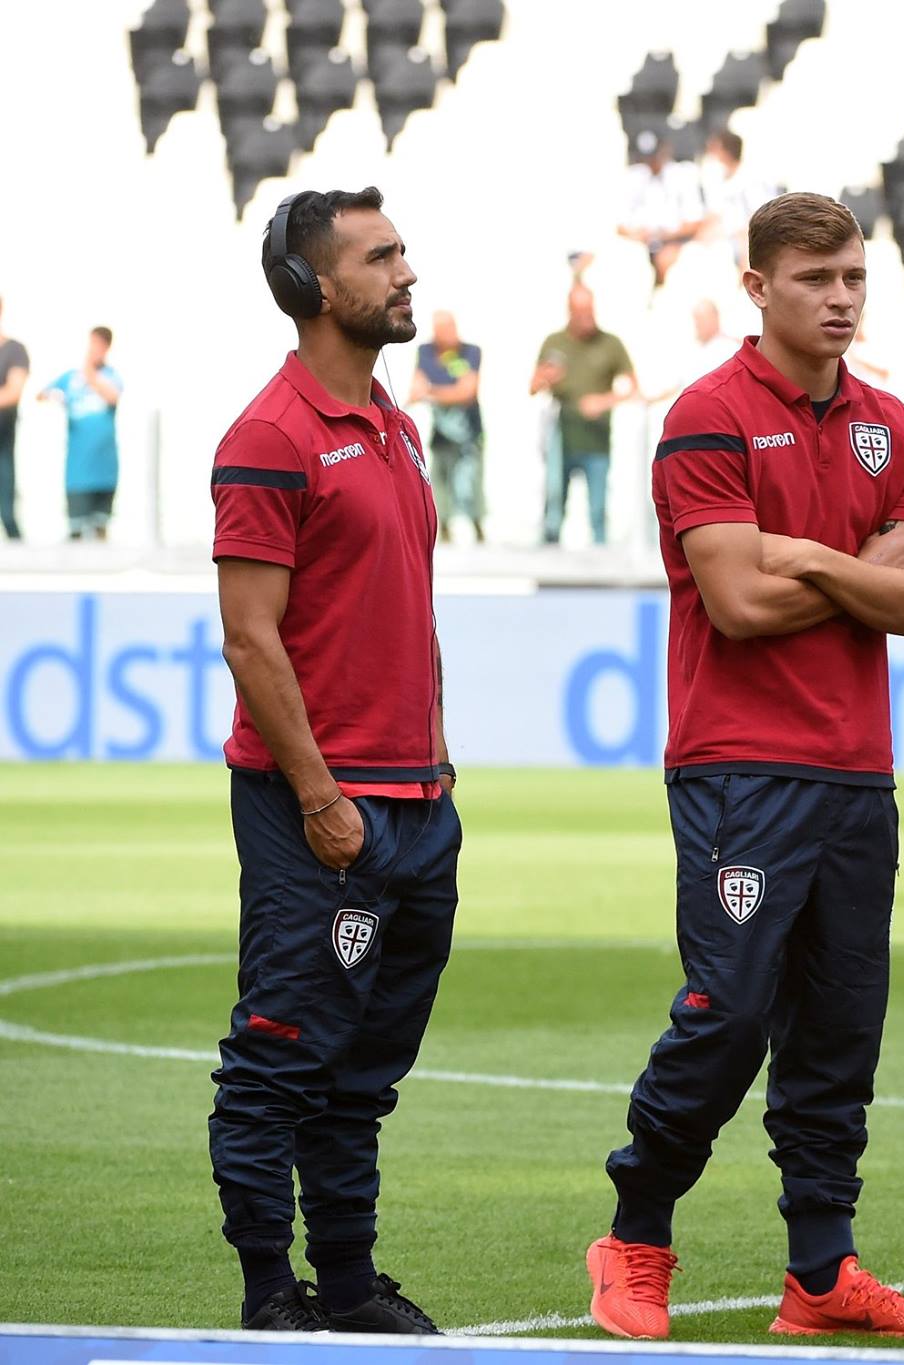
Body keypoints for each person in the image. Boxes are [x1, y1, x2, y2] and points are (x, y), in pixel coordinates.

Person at [585, 192, 904, 1343]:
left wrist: (809, 559)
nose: (840, 298)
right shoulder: (706, 416)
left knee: (840, 1030)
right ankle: (634, 1235)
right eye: (814, 279)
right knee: (729, 1009)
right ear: (756, 287)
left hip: (855, 772)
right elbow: (739, 605)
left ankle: (820, 1271)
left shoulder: (893, 426)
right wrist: (854, 563)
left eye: (853, 277)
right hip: (738, 768)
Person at [207, 186, 457, 1336]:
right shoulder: (270, 435)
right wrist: (319, 797)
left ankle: (349, 1288)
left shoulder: (395, 423)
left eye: (402, 251)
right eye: (380, 257)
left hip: (418, 806)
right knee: (279, 1057)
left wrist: (437, 775)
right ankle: (269, 1292)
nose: (407, 273)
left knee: (362, 1072)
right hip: (322, 807)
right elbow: (250, 637)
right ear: (313, 287)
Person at [530, 284, 637, 545]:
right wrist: (545, 378)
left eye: (590, 311)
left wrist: (604, 401)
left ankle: (600, 557)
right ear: (570, 311)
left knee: (598, 509)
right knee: (554, 502)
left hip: (596, 439)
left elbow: (633, 388)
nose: (588, 318)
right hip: (561, 437)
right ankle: (549, 553)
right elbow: (532, 387)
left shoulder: (610, 343)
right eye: (581, 312)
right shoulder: (554, 342)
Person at [40, 326, 123, 540]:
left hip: (105, 468)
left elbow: (113, 397)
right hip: (77, 472)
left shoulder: (111, 376)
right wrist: (56, 397)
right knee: (75, 530)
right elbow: (41, 395)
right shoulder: (71, 377)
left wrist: (90, 374)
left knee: (100, 528)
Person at [409, 310, 485, 542]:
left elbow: (467, 392)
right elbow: (416, 387)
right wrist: (440, 393)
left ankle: (477, 524)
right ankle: (444, 527)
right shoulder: (426, 351)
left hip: (469, 430)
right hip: (441, 430)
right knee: (440, 477)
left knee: (472, 478)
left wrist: (432, 392)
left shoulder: (470, 351)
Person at [619, 133, 705, 289]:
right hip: (639, 243)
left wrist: (665, 236)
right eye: (647, 158)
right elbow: (620, 224)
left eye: (654, 157)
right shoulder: (634, 175)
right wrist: (637, 235)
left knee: (669, 263)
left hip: (675, 243)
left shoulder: (683, 174)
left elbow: (694, 221)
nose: (651, 163)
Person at [697, 129, 779, 271]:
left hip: (748, 238)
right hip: (721, 238)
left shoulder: (753, 178)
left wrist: (743, 241)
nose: (710, 154)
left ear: (725, 153)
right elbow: (713, 216)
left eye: (714, 150)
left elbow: (760, 219)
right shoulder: (715, 178)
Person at [0, 296, 27, 540]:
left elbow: (13, 391)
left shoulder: (14, 350)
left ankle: (14, 536)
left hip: (3, 434)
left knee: (6, 507)